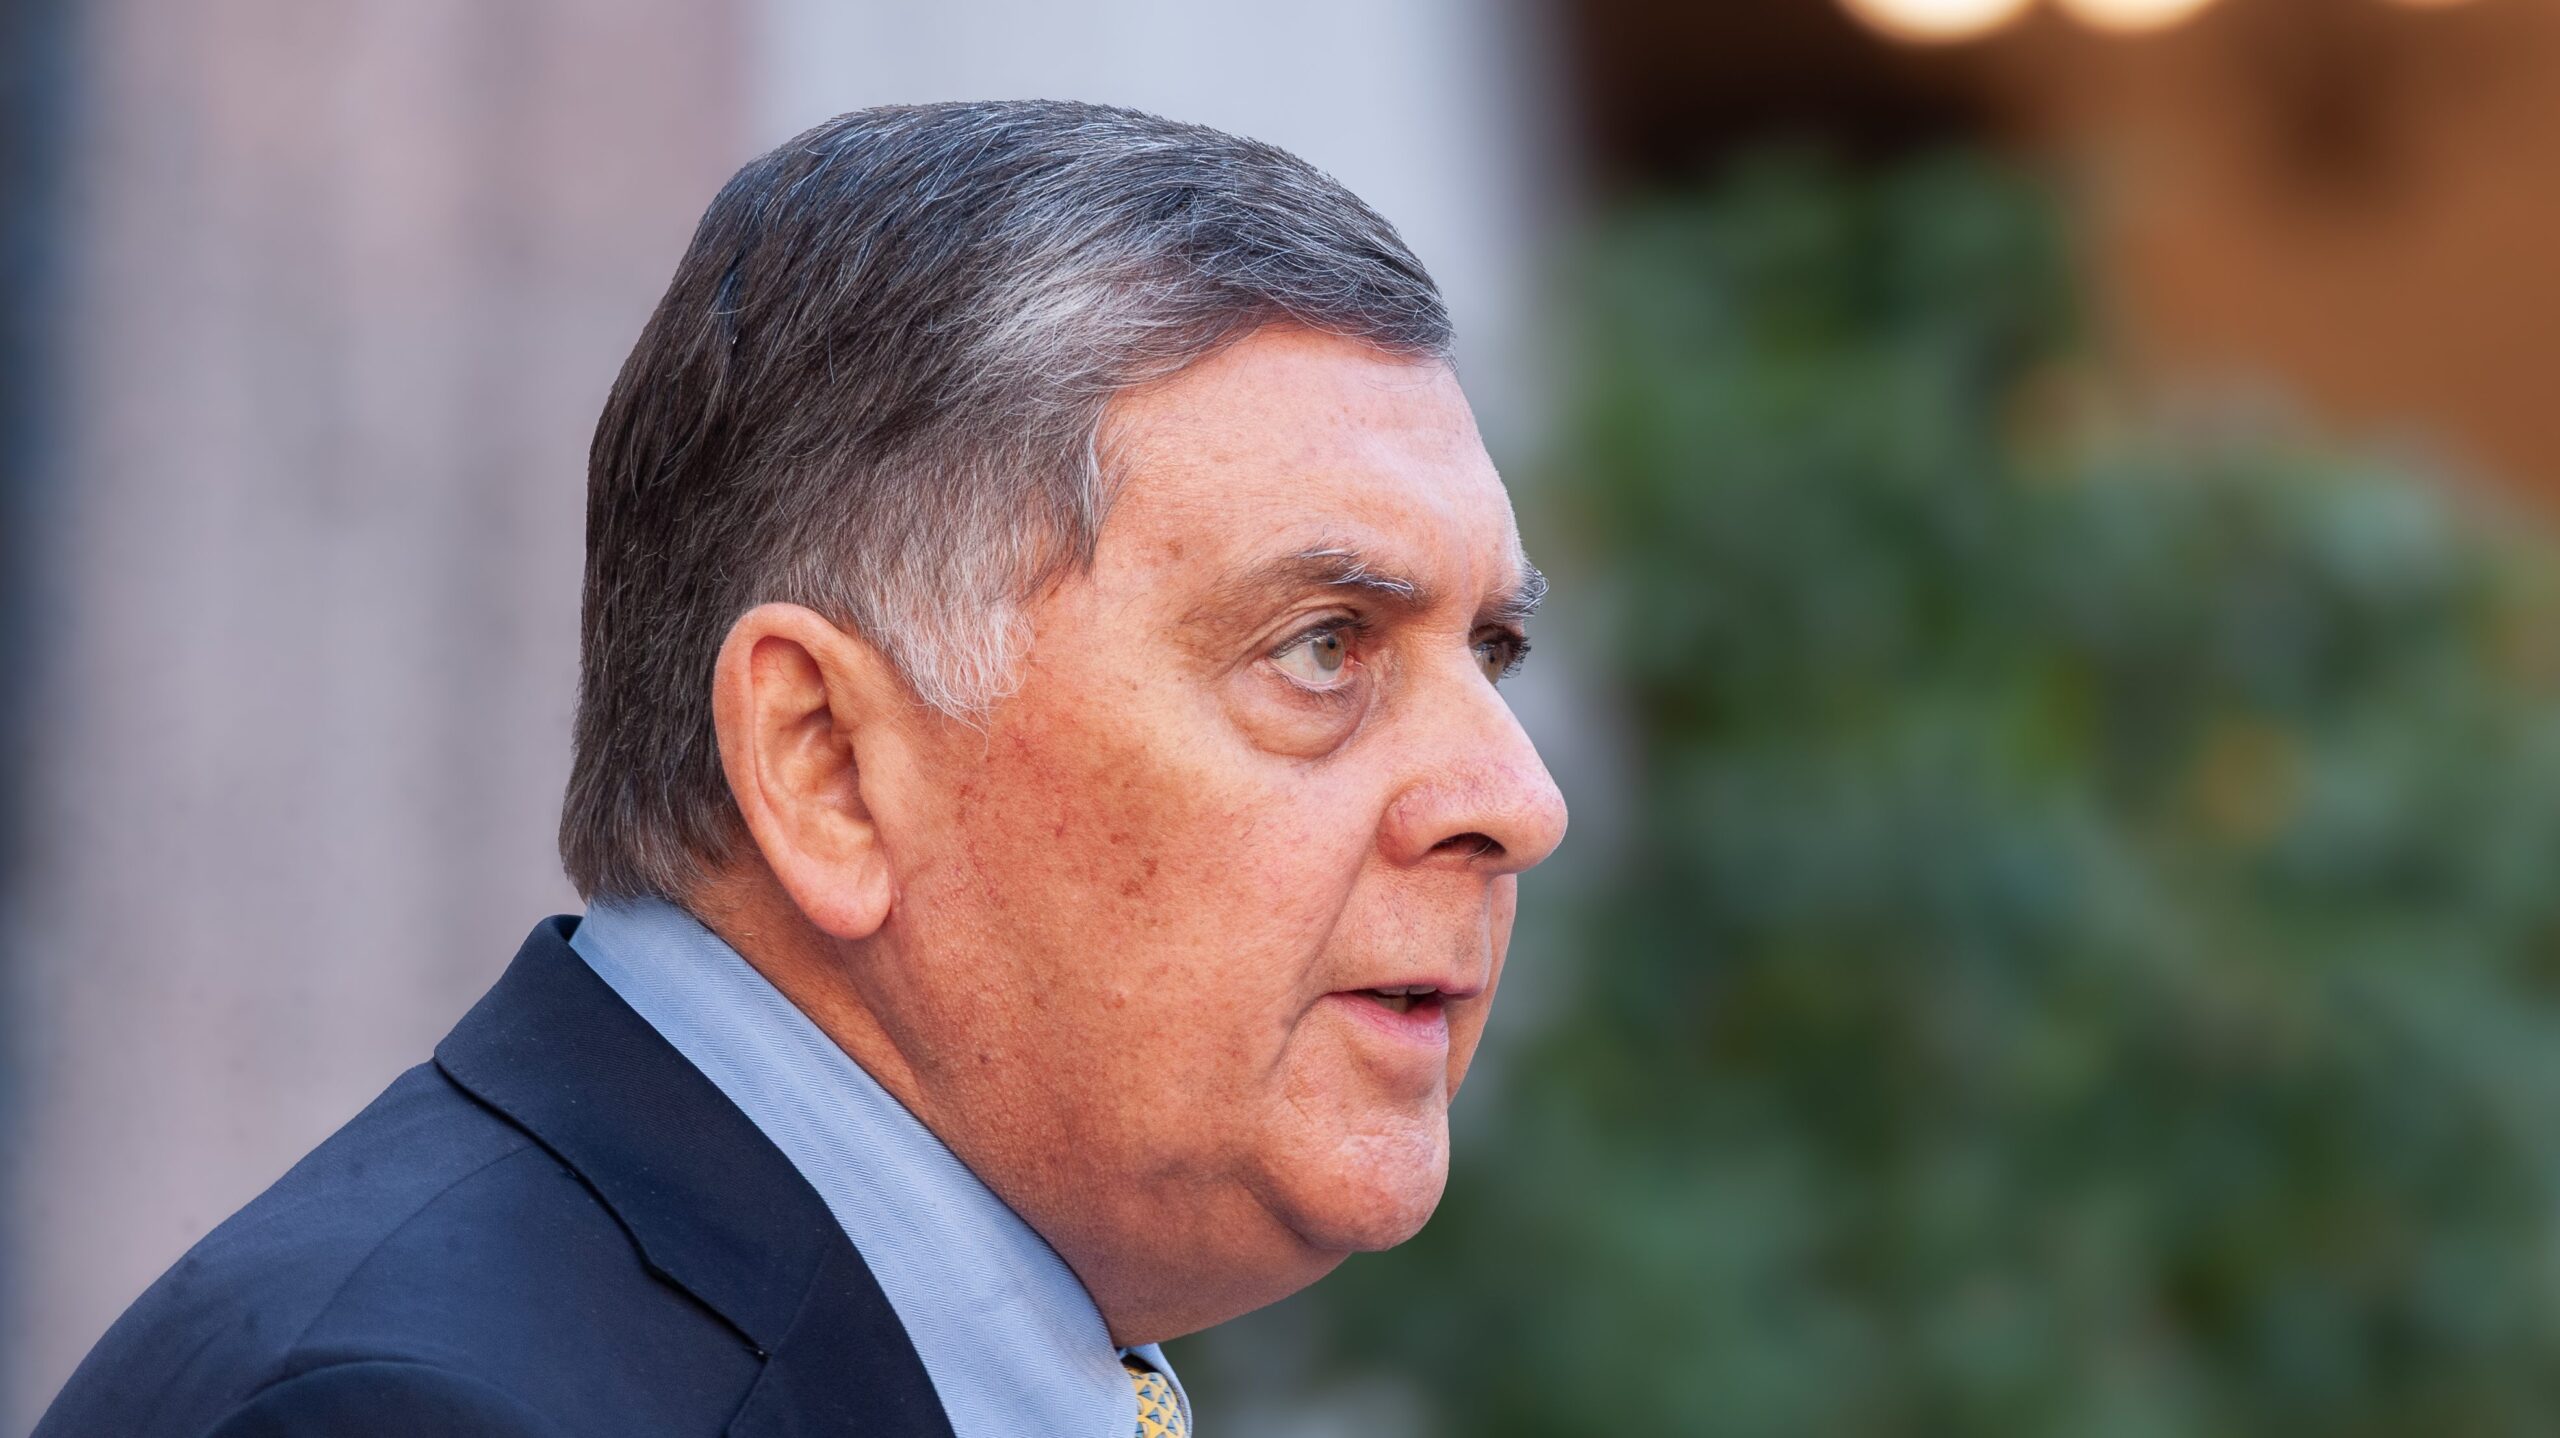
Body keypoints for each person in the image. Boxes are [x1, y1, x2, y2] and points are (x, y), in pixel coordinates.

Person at [34, 99, 1567, 1438]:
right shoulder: (418, 1412)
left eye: (1491, 650)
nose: (1518, 799)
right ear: (827, 764)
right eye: (1322, 645)